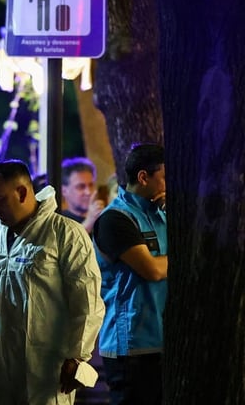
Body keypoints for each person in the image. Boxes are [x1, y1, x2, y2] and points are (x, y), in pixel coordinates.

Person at [0, 159, 104, 405]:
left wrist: (76, 356)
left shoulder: (64, 233)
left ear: (21, 192)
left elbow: (87, 301)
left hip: (45, 370)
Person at [92, 143, 167, 405]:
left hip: (163, 340)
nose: (169, 184)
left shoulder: (163, 213)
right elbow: (153, 270)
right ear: (143, 177)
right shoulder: (115, 219)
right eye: (165, 177)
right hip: (132, 347)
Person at [60, 156, 107, 234]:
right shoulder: (59, 220)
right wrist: (89, 222)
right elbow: (66, 243)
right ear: (64, 191)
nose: (88, 192)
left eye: (91, 185)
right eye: (81, 187)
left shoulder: (102, 216)